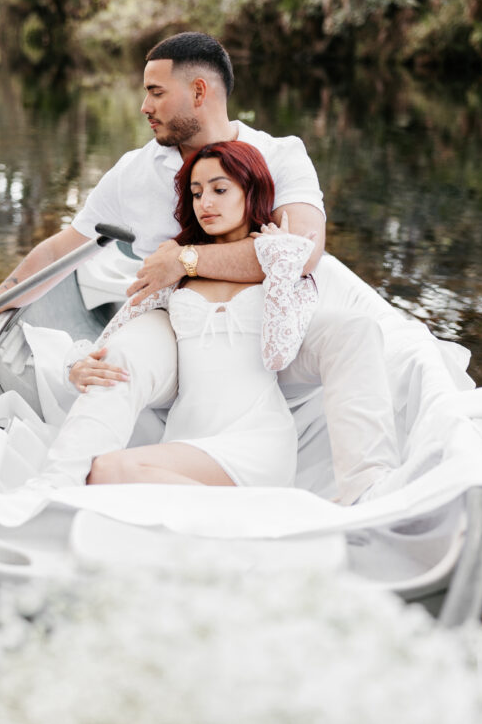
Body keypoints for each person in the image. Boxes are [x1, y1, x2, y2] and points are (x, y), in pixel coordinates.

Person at [0, 31, 400, 502]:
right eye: (146, 92)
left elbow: (302, 249)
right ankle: (53, 489)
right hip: (179, 326)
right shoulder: (134, 173)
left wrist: (185, 260)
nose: (144, 105)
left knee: (354, 331)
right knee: (116, 361)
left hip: (270, 322)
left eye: (156, 91)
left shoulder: (279, 155)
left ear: (199, 92)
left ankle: (370, 499)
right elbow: (61, 252)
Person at [83, 140, 317, 487]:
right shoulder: (174, 271)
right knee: (102, 472)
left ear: (251, 190)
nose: (205, 203)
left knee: (106, 472)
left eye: (219, 189)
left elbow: (278, 354)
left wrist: (280, 260)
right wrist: (79, 363)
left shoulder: (282, 267)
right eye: (195, 193)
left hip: (257, 441)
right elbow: (118, 328)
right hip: (186, 440)